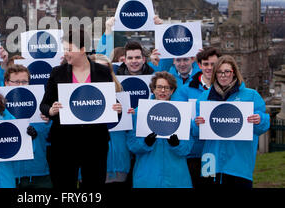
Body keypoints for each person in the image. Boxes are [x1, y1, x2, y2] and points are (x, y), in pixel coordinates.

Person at [39, 27, 121, 189]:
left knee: (94, 184)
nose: (65, 53)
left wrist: (117, 109)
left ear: (83, 49)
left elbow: (110, 102)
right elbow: (44, 104)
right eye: (64, 49)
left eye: (69, 49)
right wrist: (51, 110)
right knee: (64, 185)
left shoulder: (103, 72)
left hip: (95, 142)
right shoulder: (57, 73)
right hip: (64, 142)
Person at [193, 55, 270, 188]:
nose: (223, 75)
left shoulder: (250, 96)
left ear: (234, 73)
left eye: (227, 71)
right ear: (215, 74)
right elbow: (196, 131)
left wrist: (260, 119)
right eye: (219, 72)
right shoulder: (204, 97)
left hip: (239, 163)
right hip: (210, 162)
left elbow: (262, 126)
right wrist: (196, 124)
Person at [126, 71, 193, 188]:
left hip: (176, 177)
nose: (163, 91)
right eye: (159, 87)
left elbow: (187, 148)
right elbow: (132, 145)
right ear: (153, 89)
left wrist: (177, 145)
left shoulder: (182, 113)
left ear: (172, 91)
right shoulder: (139, 112)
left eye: (167, 88)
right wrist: (145, 143)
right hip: (147, 176)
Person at [172, 47, 221, 188]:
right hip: (193, 152)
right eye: (206, 64)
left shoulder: (226, 90)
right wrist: (196, 125)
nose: (209, 68)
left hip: (215, 152)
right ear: (199, 65)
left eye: (213, 64)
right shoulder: (184, 91)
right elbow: (179, 120)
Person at [4, 64, 53, 188]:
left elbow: (51, 136)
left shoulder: (40, 102)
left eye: (24, 82)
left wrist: (45, 124)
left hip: (38, 171)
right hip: (10, 173)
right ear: (6, 83)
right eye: (16, 82)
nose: (21, 85)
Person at [90, 54, 132, 189]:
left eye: (105, 68)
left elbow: (129, 130)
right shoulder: (79, 94)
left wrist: (129, 114)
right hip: (92, 166)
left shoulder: (120, 92)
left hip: (119, 163)